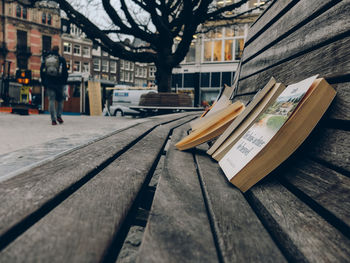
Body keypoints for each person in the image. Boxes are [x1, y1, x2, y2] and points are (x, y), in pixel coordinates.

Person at [40, 45, 68, 125]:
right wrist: (64, 82)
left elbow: (42, 71)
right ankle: (59, 116)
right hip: (59, 83)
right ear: (58, 50)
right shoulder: (61, 59)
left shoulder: (46, 59)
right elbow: (65, 72)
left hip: (49, 83)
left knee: (51, 100)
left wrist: (44, 82)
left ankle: (53, 120)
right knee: (60, 100)